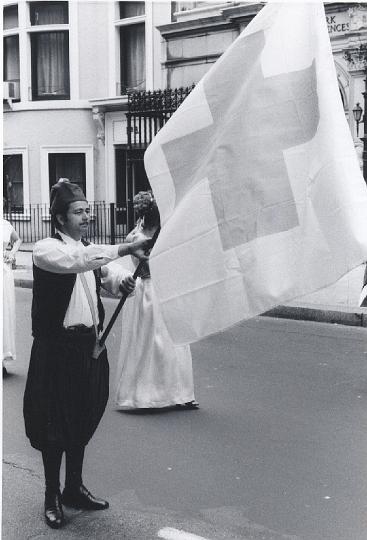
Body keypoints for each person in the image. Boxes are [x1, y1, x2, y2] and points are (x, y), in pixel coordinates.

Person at [23, 179, 150, 530]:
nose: (86, 217)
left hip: (88, 348)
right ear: (60, 218)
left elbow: (105, 274)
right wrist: (125, 248)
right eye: (79, 212)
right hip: (56, 350)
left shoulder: (88, 250)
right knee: (53, 427)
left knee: (80, 418)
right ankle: (51, 496)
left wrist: (124, 282)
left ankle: (73, 488)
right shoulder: (47, 250)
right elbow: (78, 261)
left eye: (87, 211)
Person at [103, 191, 199, 410]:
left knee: (174, 342)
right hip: (148, 291)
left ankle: (179, 392)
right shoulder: (136, 238)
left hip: (166, 289)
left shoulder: (165, 233)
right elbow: (148, 265)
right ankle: (146, 395)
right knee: (150, 343)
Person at [3, 214, 22, 374]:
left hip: (2, 272)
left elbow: (17, 240)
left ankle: (1, 359)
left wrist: (12, 253)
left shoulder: (5, 224)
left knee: (4, 313)